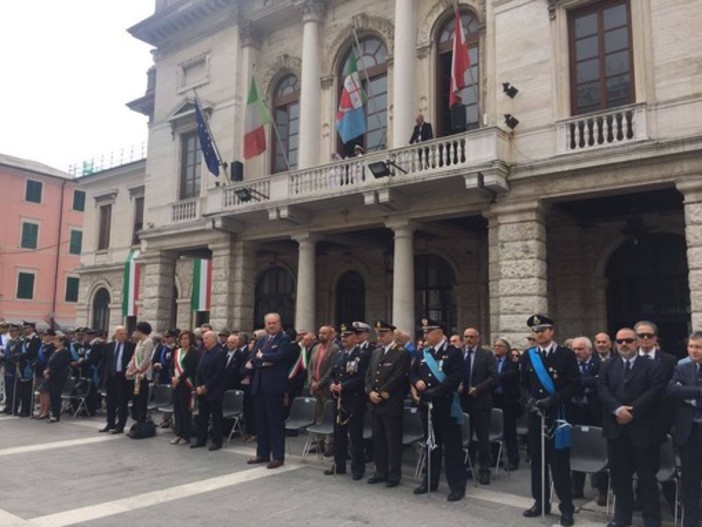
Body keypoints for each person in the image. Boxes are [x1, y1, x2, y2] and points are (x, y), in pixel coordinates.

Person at [598, 327, 666, 527]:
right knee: (620, 479)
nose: (624, 344)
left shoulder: (652, 366)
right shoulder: (609, 366)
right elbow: (602, 389)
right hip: (616, 431)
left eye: (628, 340)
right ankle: (622, 518)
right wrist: (618, 410)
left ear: (637, 342)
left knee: (647, 481)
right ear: (615, 344)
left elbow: (655, 392)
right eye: (620, 341)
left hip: (643, 432)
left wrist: (632, 412)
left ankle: (652, 521)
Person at [521, 314, 579, 527]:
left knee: (560, 465)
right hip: (536, 416)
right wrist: (529, 401)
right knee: (537, 462)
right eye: (535, 331)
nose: (538, 334)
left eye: (542, 330)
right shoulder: (528, 356)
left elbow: (574, 385)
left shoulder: (565, 355)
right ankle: (540, 502)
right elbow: (523, 385)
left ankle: (566, 508)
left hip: (557, 416)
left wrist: (552, 400)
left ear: (551, 332)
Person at [411, 318, 466, 501]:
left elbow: (457, 376)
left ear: (440, 332)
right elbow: (412, 372)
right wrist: (416, 381)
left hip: (445, 405)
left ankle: (457, 486)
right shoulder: (422, 353)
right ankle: (430, 481)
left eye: (429, 332)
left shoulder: (453, 352)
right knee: (430, 445)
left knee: (452, 448)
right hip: (427, 406)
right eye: (424, 332)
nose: (425, 335)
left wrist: (437, 392)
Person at [247, 313, 296, 469]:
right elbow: (253, 358)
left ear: (280, 324)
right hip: (259, 385)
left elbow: (280, 356)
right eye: (269, 323)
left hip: (274, 387)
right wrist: (264, 360)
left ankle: (278, 456)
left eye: (274, 323)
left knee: (275, 422)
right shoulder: (262, 339)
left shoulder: (284, 339)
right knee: (261, 421)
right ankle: (262, 453)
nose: (271, 326)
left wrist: (265, 358)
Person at [365, 320, 410, 488]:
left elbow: (398, 378)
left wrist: (381, 394)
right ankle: (380, 471)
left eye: (383, 334)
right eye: (378, 334)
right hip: (375, 403)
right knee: (378, 440)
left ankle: (394, 474)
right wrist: (370, 391)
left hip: (390, 403)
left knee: (392, 441)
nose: (380, 337)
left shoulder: (401, 353)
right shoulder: (376, 352)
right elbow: (369, 375)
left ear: (391, 335)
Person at [324, 323, 371, 479]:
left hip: (354, 400)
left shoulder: (362, 355)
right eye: (342, 336)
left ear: (355, 338)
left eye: (347, 336)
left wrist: (343, 386)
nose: (343, 339)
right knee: (339, 435)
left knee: (355, 436)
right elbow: (331, 373)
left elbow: (361, 378)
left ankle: (358, 468)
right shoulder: (339, 354)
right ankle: (339, 465)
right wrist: (331, 384)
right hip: (339, 400)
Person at [667, 331, 702, 527]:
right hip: (690, 433)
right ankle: (691, 521)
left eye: (698, 347)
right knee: (690, 481)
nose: (693, 351)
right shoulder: (682, 367)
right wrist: (698, 392)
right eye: (690, 346)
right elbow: (672, 390)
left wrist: (687, 395)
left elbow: (681, 392)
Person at [568, 336, 607, 504]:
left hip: (595, 414)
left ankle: (603, 490)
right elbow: (566, 383)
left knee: (599, 450)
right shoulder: (569, 365)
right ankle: (576, 488)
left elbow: (599, 382)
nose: (577, 352)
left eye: (580, 349)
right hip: (576, 413)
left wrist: (579, 382)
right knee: (578, 449)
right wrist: (584, 383)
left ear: (590, 350)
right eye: (575, 349)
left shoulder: (600, 364)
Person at [460, 326, 497, 485]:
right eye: (466, 337)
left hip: (481, 402)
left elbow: (493, 377)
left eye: (471, 337)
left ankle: (484, 470)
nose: (468, 340)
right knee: (466, 437)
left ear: (478, 338)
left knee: (482, 438)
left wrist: (478, 389)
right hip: (463, 402)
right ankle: (467, 467)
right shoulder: (460, 354)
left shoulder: (486, 355)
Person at [309, 325, 340, 456]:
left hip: (326, 388)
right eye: (320, 333)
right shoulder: (315, 348)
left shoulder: (335, 349)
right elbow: (310, 367)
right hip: (315, 387)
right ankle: (319, 443)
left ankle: (329, 444)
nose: (321, 335)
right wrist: (312, 382)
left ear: (332, 335)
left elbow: (331, 370)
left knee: (329, 416)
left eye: (325, 333)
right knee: (319, 416)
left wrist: (320, 383)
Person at [193, 330, 227, 451]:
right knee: (202, 416)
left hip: (214, 390)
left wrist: (206, 386)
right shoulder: (204, 353)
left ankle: (217, 441)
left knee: (216, 416)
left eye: (206, 338)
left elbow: (219, 374)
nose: (204, 341)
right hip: (202, 391)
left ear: (213, 339)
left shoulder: (220, 353)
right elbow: (199, 371)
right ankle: (201, 439)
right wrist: (198, 386)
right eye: (203, 339)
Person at [492, 337, 521, 471]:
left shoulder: (512, 363)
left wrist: (495, 378)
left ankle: (513, 459)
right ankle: (494, 457)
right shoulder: (491, 362)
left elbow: (511, 376)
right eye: (495, 346)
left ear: (506, 349)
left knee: (509, 431)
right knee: (493, 427)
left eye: (499, 346)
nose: (496, 348)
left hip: (507, 400)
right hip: (493, 399)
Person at [100, 326, 135, 434]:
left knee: (122, 403)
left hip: (123, 377)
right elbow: (105, 361)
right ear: (116, 334)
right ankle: (110, 423)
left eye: (126, 333)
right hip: (111, 377)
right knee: (110, 402)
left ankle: (120, 425)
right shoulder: (109, 346)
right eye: (122, 333)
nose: (124, 336)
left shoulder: (131, 346)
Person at [171, 330, 198, 446]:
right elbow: (171, 367)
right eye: (182, 338)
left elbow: (191, 368)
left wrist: (180, 378)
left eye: (186, 338)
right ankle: (178, 433)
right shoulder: (176, 352)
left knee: (185, 411)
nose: (183, 340)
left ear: (191, 340)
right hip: (176, 384)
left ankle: (186, 435)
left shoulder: (194, 352)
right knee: (177, 409)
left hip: (186, 384)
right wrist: (172, 377)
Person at [126, 321, 155, 424]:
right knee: (135, 400)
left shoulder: (148, 342)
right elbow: (134, 357)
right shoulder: (139, 343)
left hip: (143, 375)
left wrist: (135, 371)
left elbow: (146, 360)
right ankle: (137, 420)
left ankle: (141, 421)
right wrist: (128, 368)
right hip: (136, 375)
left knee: (142, 399)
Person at [44, 333, 71, 423]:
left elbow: (59, 364)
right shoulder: (55, 351)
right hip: (51, 376)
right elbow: (50, 362)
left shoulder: (64, 352)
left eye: (56, 340)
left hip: (58, 376)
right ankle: (53, 413)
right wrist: (47, 370)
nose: (54, 342)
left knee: (56, 395)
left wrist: (49, 371)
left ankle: (56, 414)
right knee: (51, 395)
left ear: (62, 342)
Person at [34, 330, 56, 419]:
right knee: (41, 391)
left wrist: (47, 370)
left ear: (51, 336)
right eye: (44, 335)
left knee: (46, 391)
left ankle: (45, 411)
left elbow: (50, 360)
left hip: (45, 371)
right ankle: (41, 410)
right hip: (39, 371)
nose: (44, 336)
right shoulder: (43, 345)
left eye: (46, 335)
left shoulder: (52, 346)